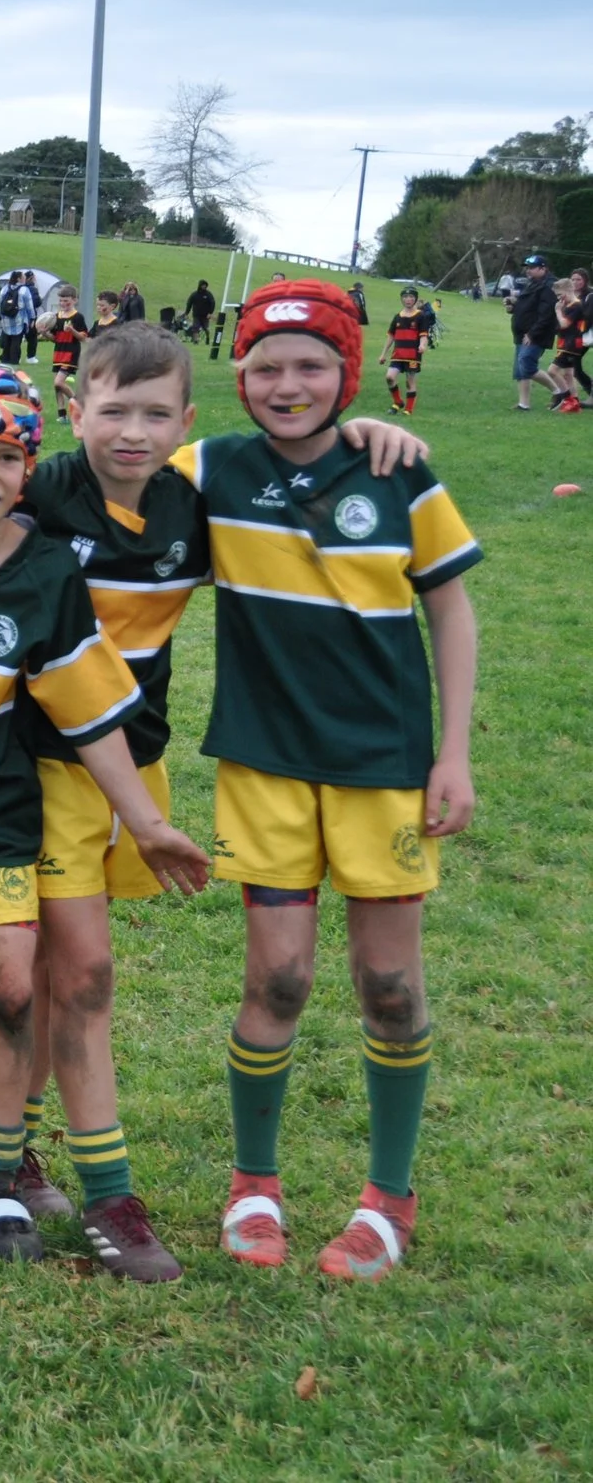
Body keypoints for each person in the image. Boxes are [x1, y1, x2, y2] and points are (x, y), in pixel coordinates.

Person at [0, 367, 209, 1263]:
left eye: (6, 457)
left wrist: (143, 821)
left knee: (13, 993)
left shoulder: (47, 569)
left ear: (31, 472)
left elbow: (89, 713)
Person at [180, 279, 478, 1282]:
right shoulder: (210, 469)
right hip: (264, 767)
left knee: (388, 987)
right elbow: (99, 466)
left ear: (345, 373)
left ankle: (387, 1195)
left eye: (310, 366)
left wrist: (452, 754)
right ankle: (252, 1183)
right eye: (266, 366)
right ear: (240, 376)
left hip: (382, 769)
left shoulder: (395, 475)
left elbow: (451, 610)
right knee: (277, 979)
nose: (287, 384)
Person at [507, 255, 559, 411]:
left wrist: (532, 334)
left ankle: (560, 392)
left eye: (532, 268)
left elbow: (546, 315)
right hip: (522, 333)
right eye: (527, 268)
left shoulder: (549, 286)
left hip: (535, 335)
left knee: (527, 365)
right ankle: (524, 404)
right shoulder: (532, 283)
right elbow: (528, 308)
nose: (528, 271)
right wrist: (513, 308)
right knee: (520, 370)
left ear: (543, 268)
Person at [37, 287, 89, 419]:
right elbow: (56, 339)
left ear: (74, 300)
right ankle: (62, 415)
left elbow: (83, 338)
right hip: (58, 353)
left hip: (71, 353)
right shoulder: (56, 317)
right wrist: (44, 333)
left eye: (66, 301)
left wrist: (72, 331)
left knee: (58, 382)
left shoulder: (77, 317)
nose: (63, 303)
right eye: (61, 301)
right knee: (57, 387)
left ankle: (79, 404)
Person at [383, 286, 432, 416]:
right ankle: (398, 401)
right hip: (397, 355)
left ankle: (408, 410)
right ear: (402, 299)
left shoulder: (421, 316)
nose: (408, 299)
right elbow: (391, 336)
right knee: (389, 377)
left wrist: (422, 345)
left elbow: (423, 335)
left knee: (410, 382)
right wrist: (383, 354)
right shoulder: (397, 317)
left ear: (415, 299)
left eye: (411, 297)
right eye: (405, 297)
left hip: (412, 356)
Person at [547, 273, 586, 413]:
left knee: (551, 371)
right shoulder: (569, 305)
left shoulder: (575, 306)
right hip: (567, 344)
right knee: (568, 374)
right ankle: (574, 403)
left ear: (569, 290)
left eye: (560, 294)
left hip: (570, 345)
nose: (559, 298)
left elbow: (564, 324)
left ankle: (566, 397)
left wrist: (558, 310)